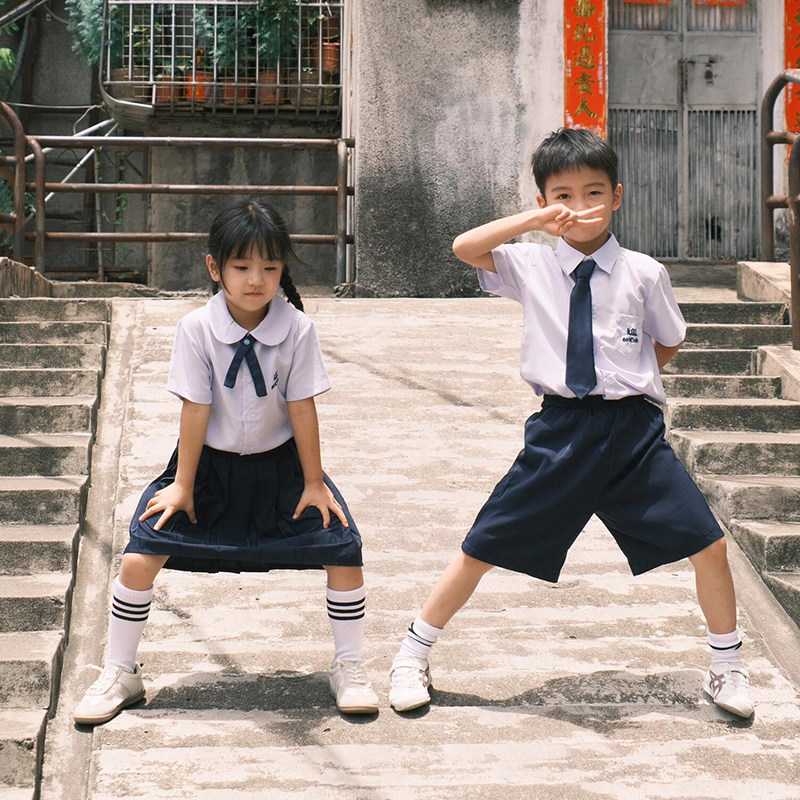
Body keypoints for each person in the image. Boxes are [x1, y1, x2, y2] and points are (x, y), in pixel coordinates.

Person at [388, 127, 754, 719]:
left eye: (593, 192)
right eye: (563, 195)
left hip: (633, 433)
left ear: (617, 196)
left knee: (707, 544)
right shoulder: (530, 264)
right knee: (484, 543)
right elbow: (463, 246)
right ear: (543, 202)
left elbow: (667, 341)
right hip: (560, 430)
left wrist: (626, 376)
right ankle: (412, 653)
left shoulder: (643, 272)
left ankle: (728, 667)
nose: (580, 207)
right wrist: (534, 224)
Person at [75, 200, 378, 725]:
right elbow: (196, 408)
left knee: (343, 547)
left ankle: (348, 666)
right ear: (214, 268)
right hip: (206, 469)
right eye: (241, 266)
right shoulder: (196, 328)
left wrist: (313, 482)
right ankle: (120, 670)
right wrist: (182, 485)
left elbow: (301, 406)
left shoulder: (297, 328)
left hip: (282, 470)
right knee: (140, 554)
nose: (256, 280)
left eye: (270, 267)